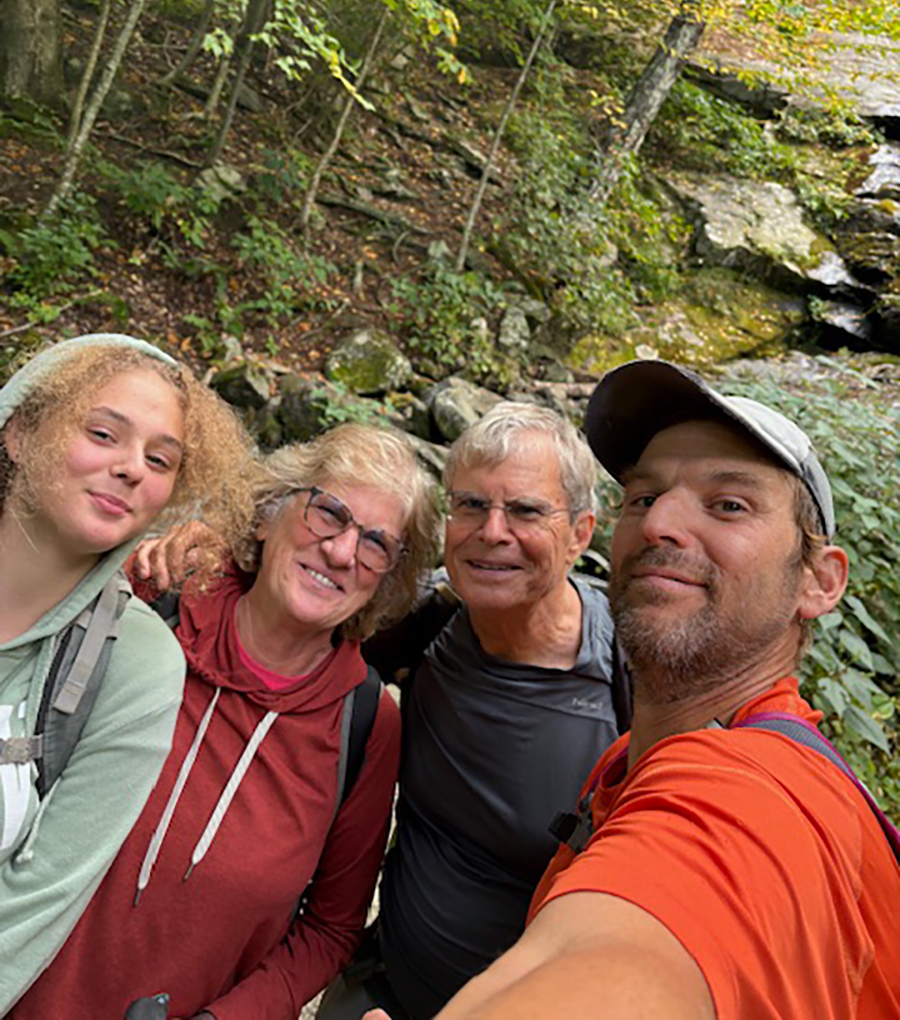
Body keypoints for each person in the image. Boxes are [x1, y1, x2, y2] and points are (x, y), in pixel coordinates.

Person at [389, 359, 899, 1020]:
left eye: (729, 504)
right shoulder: (626, 760)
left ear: (819, 582)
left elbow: (638, 935)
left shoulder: (754, 796)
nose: (660, 523)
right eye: (644, 497)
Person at [12, 423, 441, 1020]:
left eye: (376, 544)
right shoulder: (149, 610)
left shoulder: (364, 725)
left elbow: (330, 929)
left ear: (385, 583)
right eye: (328, 514)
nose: (342, 551)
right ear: (267, 515)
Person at [317, 403, 628, 1020]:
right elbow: (287, 605)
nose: (492, 532)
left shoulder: (630, 671)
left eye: (526, 510)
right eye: (470, 505)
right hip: (380, 991)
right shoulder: (424, 621)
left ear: (581, 533)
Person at [0, 333, 254, 1013]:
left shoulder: (135, 666)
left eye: (159, 458)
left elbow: (37, 899)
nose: (131, 468)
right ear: (21, 430)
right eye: (103, 433)